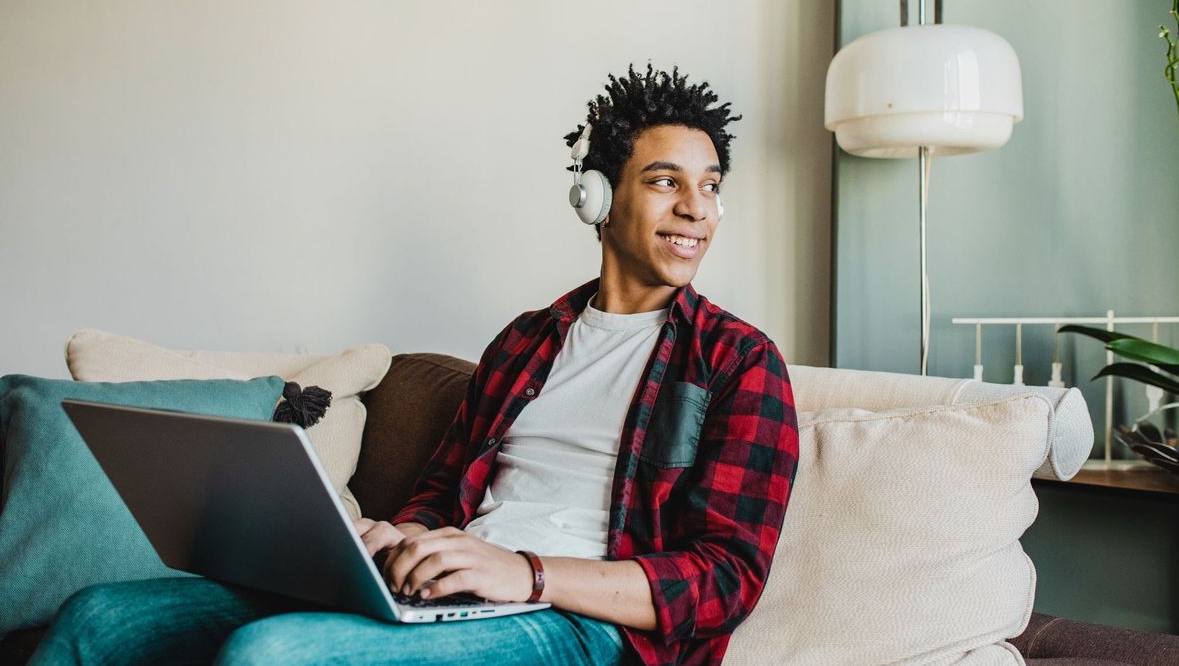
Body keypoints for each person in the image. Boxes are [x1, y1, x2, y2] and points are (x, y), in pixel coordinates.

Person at [30, 63, 799, 666]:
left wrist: (526, 571)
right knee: (99, 618)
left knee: (274, 653)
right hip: (453, 588)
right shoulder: (526, 342)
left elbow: (726, 578)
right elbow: (441, 490)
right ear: (594, 197)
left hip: (580, 626)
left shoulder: (739, 363)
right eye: (667, 182)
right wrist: (391, 535)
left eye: (711, 188)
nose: (698, 209)